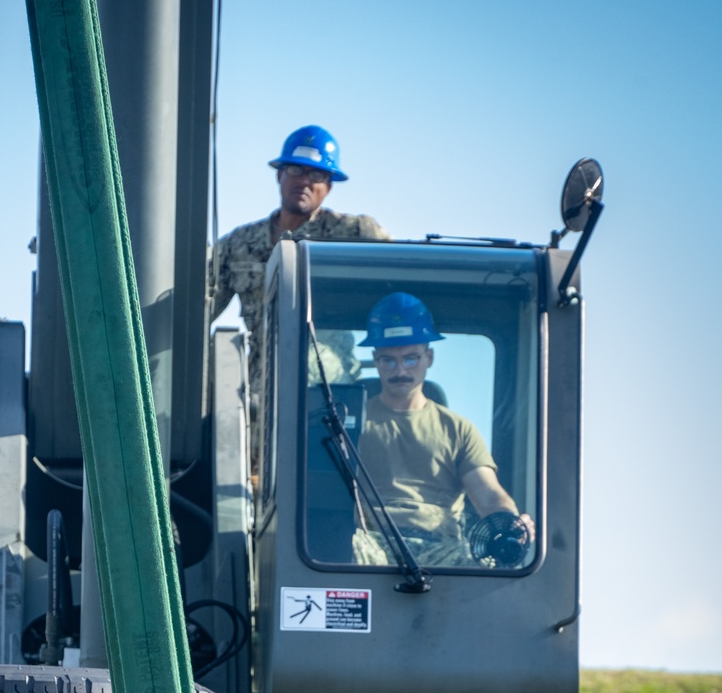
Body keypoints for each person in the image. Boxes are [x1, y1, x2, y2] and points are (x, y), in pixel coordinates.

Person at [353, 292, 535, 568]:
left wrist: (511, 523)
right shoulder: (350, 425)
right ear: (376, 360)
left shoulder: (458, 430)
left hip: (441, 547)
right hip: (371, 541)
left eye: (411, 359)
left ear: (429, 357)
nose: (400, 370)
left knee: (482, 567)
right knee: (340, 548)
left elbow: (487, 494)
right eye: (388, 360)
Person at [211, 126, 389, 394]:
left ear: (328, 187)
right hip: (263, 390)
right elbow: (196, 310)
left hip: (330, 390)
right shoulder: (239, 244)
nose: (304, 181)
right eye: (296, 170)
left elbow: (402, 282)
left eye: (316, 174)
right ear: (280, 175)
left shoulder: (354, 234)